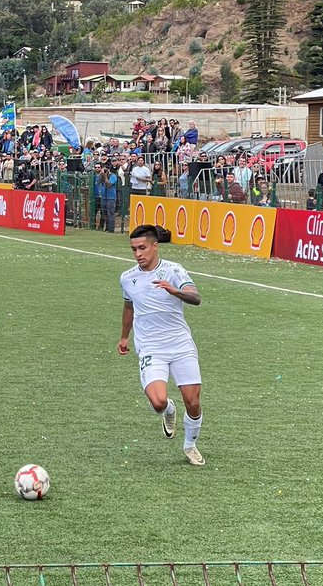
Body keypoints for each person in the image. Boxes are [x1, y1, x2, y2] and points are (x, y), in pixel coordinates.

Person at [117, 224, 205, 467]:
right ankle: (168, 410)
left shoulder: (173, 271)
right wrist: (124, 336)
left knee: (194, 402)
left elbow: (195, 298)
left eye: (142, 248)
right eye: (134, 250)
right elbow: (128, 307)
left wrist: (175, 291)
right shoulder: (127, 277)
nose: (138, 254)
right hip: (150, 347)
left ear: (155, 246)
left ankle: (190, 445)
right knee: (157, 402)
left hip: (180, 344)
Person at [94, 163, 118, 232]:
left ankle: (111, 229)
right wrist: (101, 175)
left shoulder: (113, 176)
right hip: (104, 197)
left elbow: (109, 184)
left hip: (111, 197)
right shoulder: (102, 176)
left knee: (110, 213)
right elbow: (98, 182)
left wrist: (105, 177)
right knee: (104, 213)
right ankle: (106, 227)